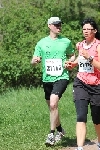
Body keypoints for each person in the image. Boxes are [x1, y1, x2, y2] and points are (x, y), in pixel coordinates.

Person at [31, 17, 75, 146]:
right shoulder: (41, 43)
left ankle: (51, 134)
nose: (59, 26)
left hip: (62, 76)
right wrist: (35, 61)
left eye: (60, 24)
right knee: (52, 107)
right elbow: (33, 60)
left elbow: (72, 54)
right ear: (49, 26)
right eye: (56, 24)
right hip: (47, 78)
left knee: (53, 103)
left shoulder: (66, 41)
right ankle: (60, 130)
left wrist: (70, 62)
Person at [65, 18, 100, 150]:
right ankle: (80, 147)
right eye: (84, 29)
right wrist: (73, 64)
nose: (86, 31)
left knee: (96, 117)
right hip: (81, 83)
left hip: (97, 85)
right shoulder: (80, 45)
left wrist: (90, 58)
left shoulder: (99, 46)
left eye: (89, 29)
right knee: (81, 115)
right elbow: (80, 59)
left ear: (94, 31)